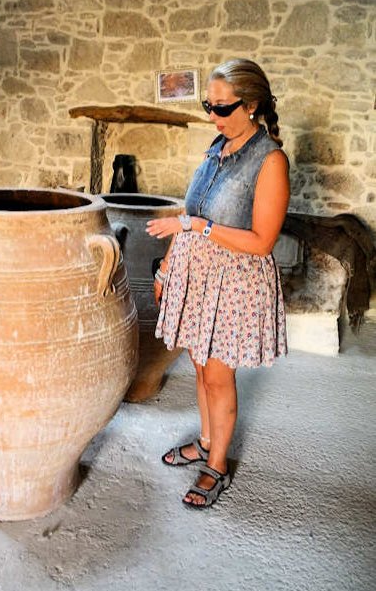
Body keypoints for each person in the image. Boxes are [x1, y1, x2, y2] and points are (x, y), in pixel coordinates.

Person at [146, 58, 290, 509]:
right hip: (196, 273)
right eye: (209, 105)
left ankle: (218, 466)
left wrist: (196, 228)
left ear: (251, 106)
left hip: (234, 280)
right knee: (201, 365)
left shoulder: (270, 160)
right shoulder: (217, 147)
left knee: (219, 375)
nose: (213, 115)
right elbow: (188, 217)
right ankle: (207, 441)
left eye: (223, 108)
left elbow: (262, 241)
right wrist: (168, 268)